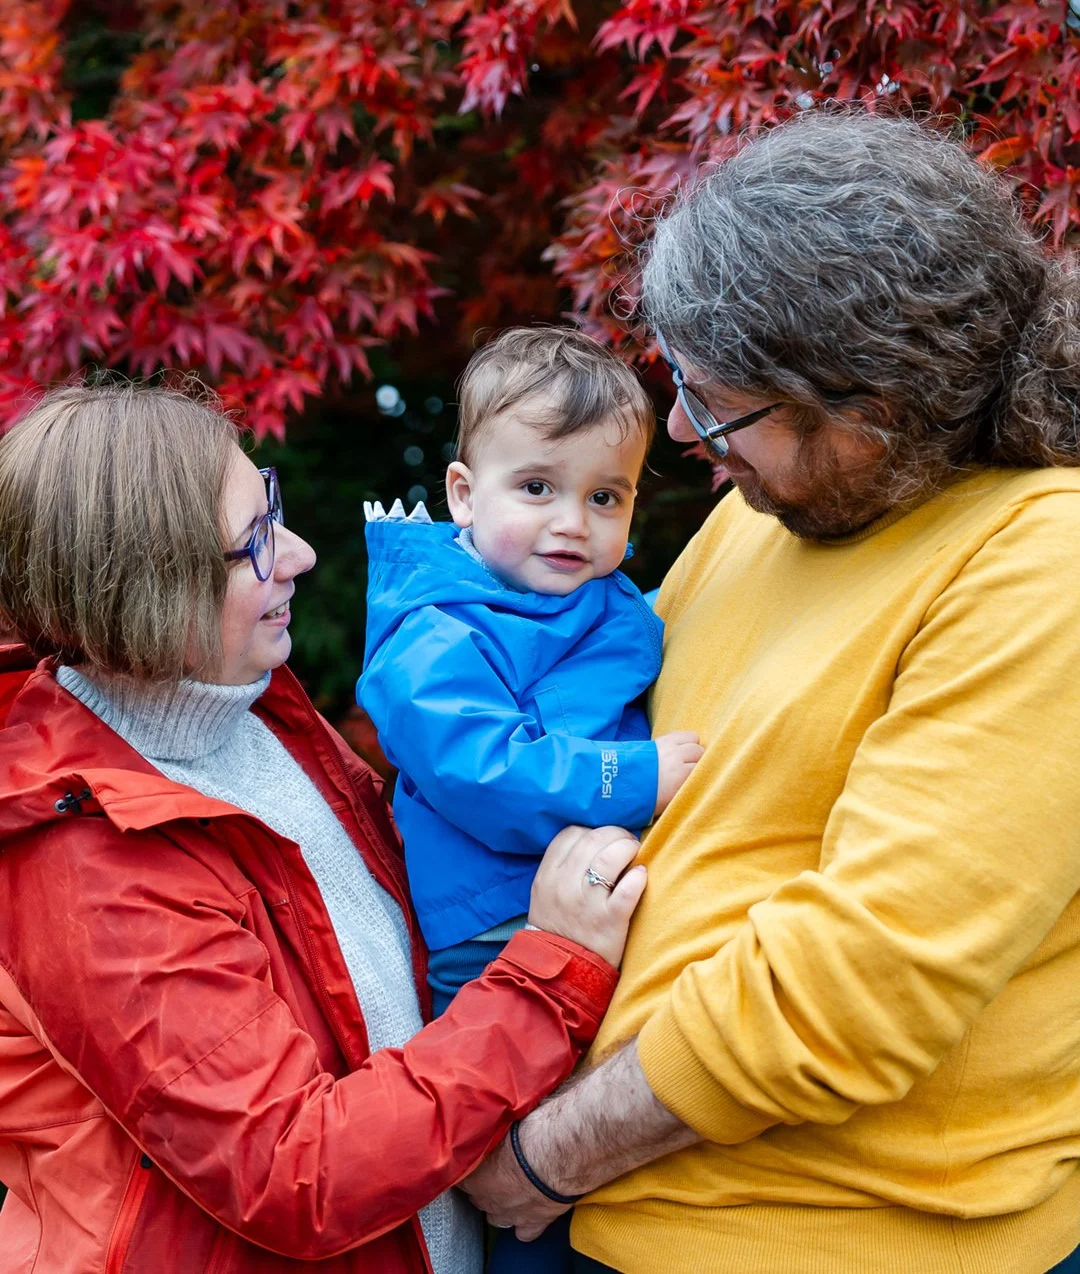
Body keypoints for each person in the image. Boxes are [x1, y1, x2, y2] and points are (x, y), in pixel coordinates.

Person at [461, 111, 1080, 1274]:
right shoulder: (770, 514)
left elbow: (857, 985)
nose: (687, 432)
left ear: (876, 406)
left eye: (719, 399)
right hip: (612, 1211)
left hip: (821, 1237)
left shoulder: (1044, 565)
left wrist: (544, 1158)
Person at [0, 380, 647, 1274]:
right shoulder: (86, 861)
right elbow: (296, 1171)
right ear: (148, 585)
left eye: (273, 506)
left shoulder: (256, 716)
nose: (301, 554)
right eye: (254, 543)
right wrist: (550, 967)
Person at [358, 327, 703, 1272]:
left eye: (606, 497)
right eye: (537, 488)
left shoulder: (604, 600)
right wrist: (635, 780)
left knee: (615, 1149)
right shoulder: (435, 630)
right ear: (464, 495)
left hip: (589, 913)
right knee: (523, 1168)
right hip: (496, 943)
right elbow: (482, 767)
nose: (572, 523)